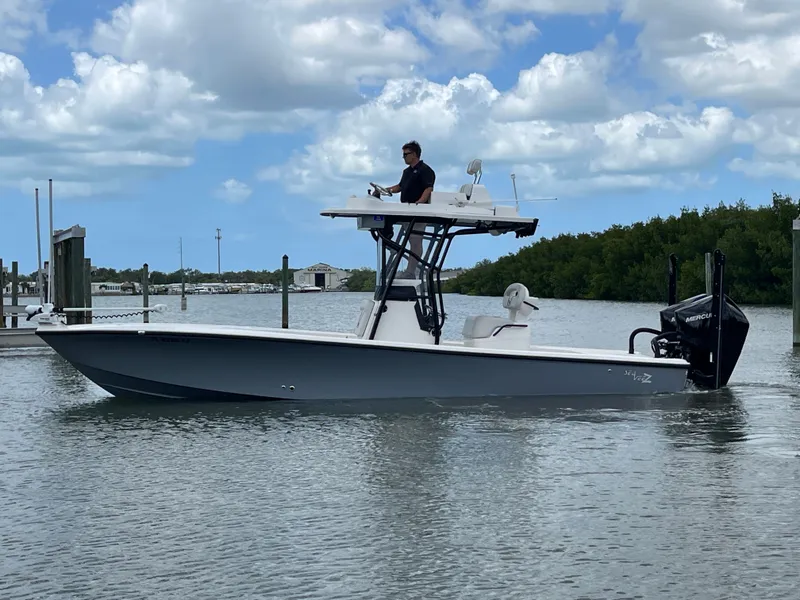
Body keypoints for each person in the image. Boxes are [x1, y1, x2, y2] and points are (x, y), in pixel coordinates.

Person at [371, 141, 436, 277]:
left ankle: (410, 272)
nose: (404, 157)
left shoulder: (425, 170)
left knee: (415, 242)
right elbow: (400, 186)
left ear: (414, 154)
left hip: (417, 211)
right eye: (403, 155)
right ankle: (390, 244)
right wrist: (384, 190)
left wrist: (419, 203)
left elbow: (428, 188)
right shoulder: (406, 172)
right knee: (385, 219)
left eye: (406, 154)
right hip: (405, 209)